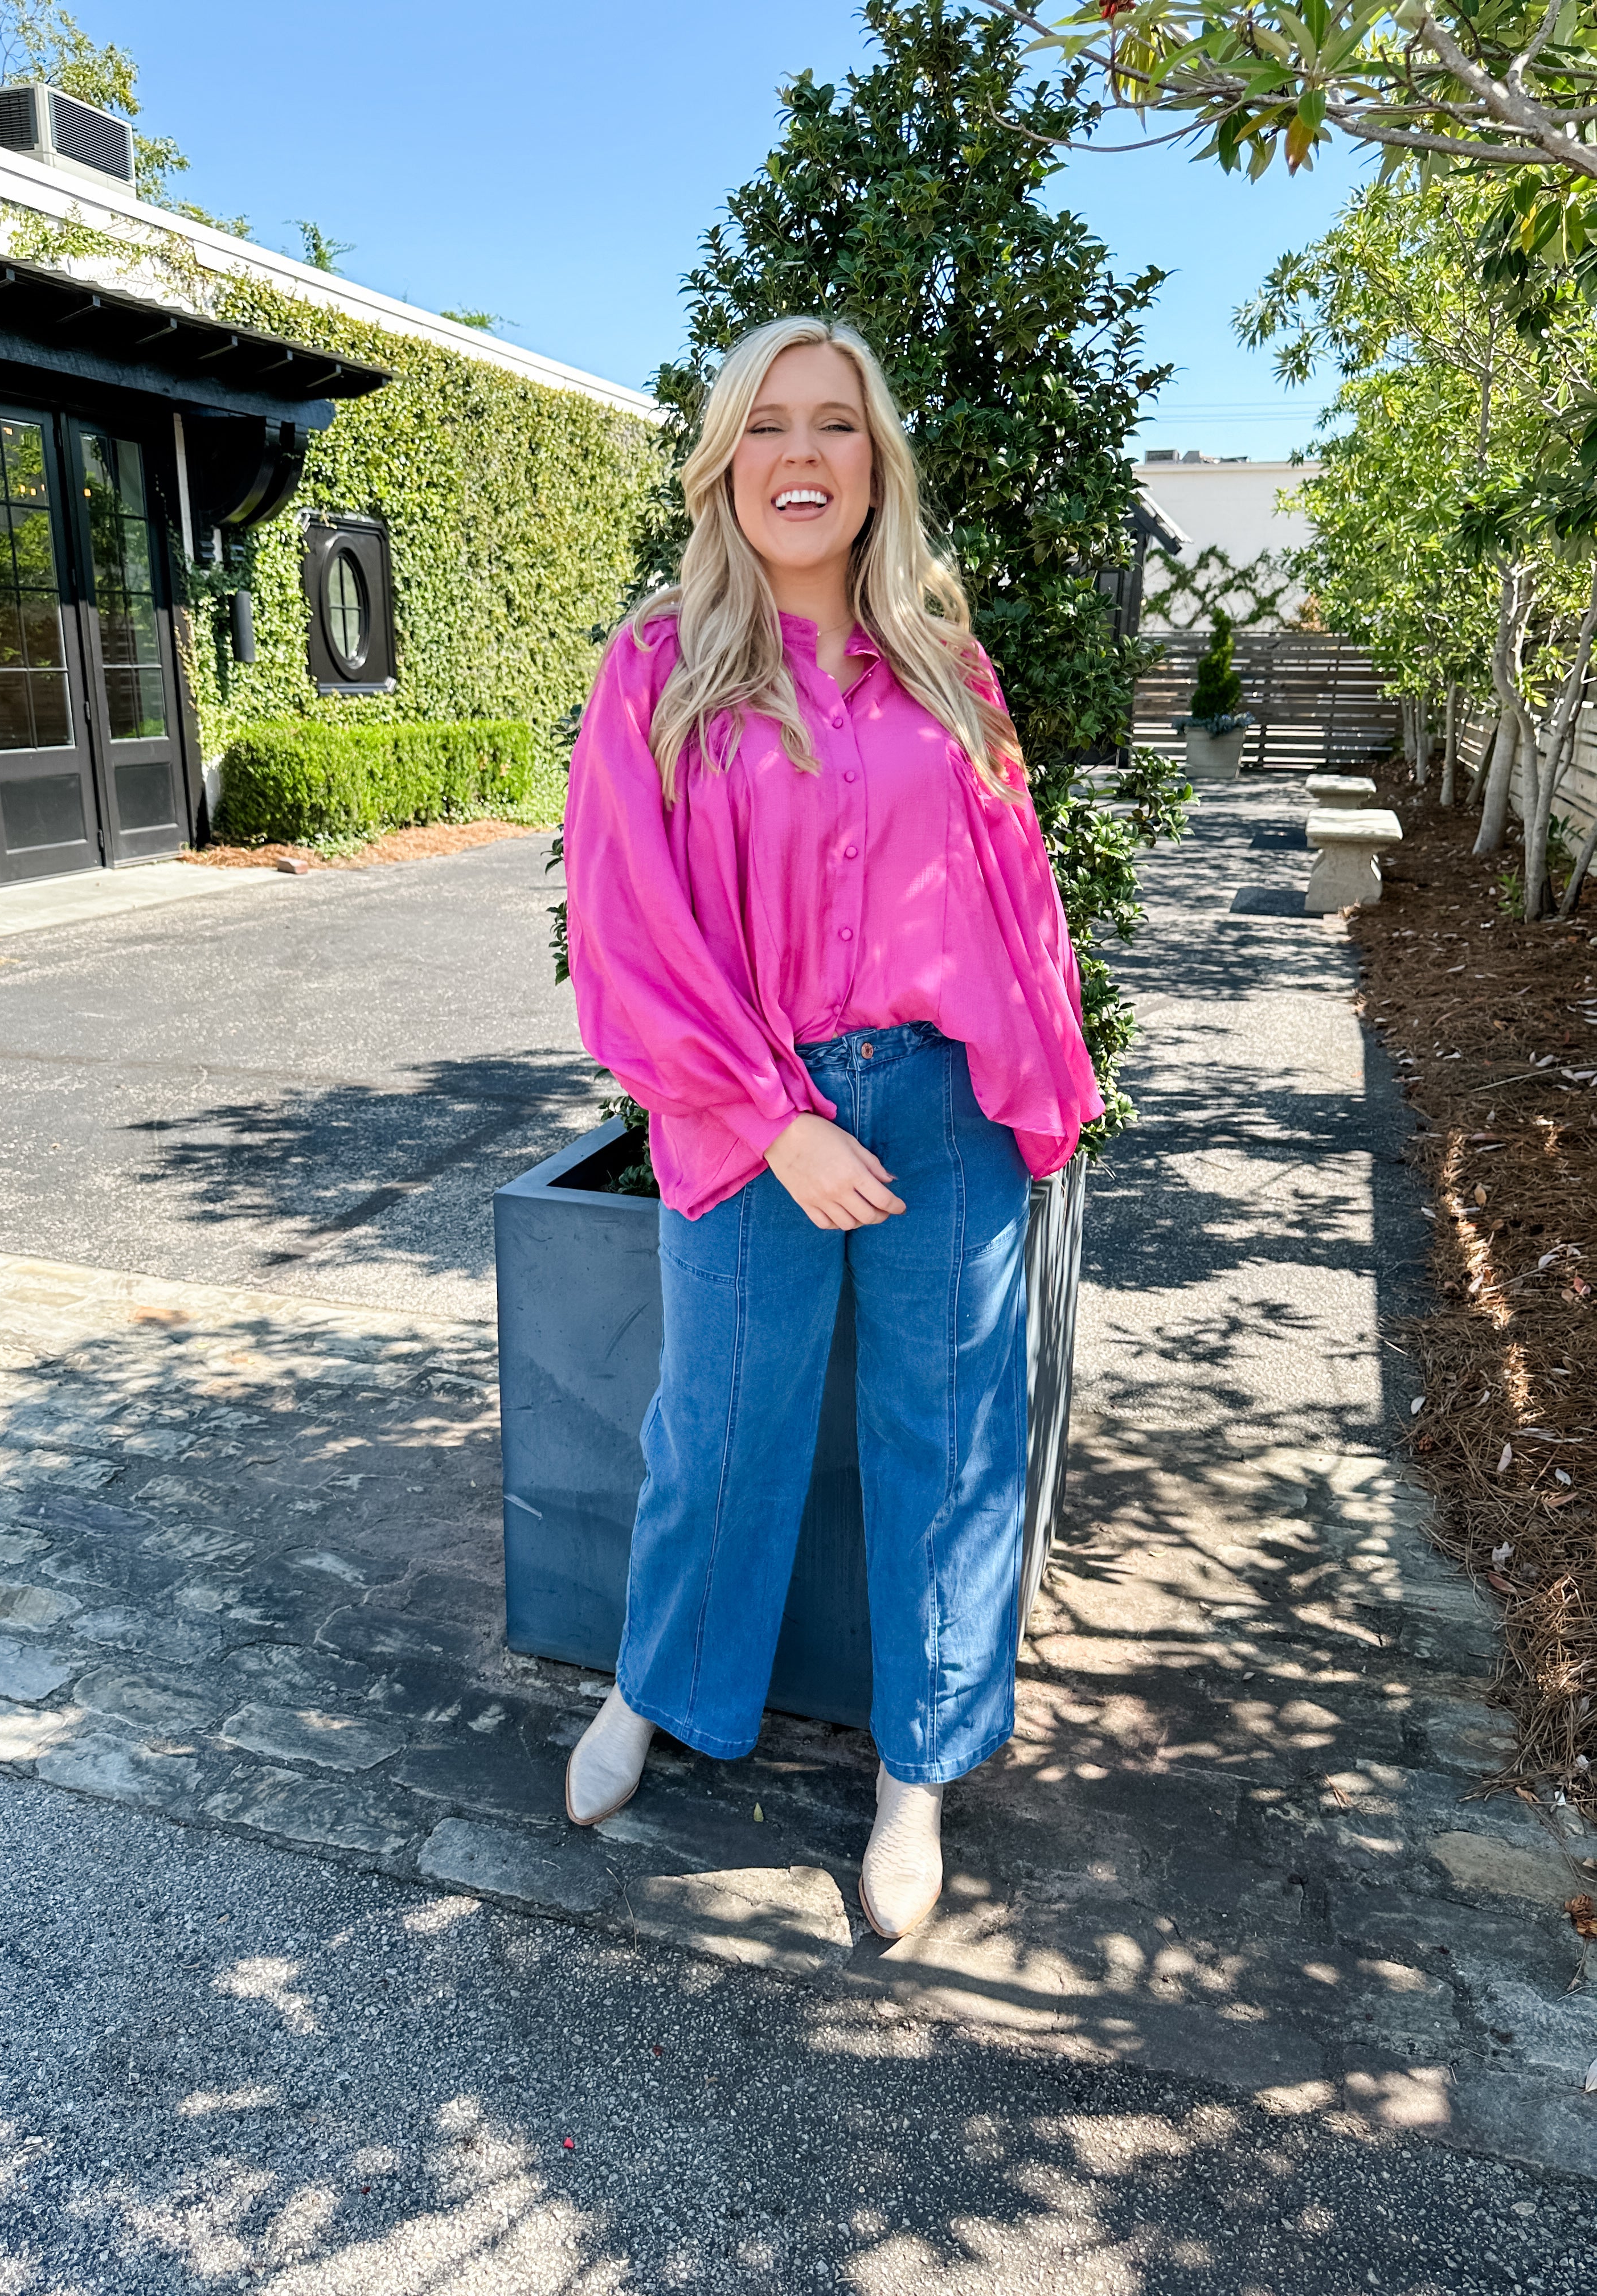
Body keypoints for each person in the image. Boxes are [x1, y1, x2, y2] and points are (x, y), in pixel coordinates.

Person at [560, 315, 1101, 1940]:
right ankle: (655, 1693)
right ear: (725, 461)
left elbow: (1016, 898)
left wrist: (1043, 1094)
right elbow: (629, 924)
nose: (803, 456)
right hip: (746, 1114)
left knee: (949, 1446)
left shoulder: (947, 660)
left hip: (941, 1110)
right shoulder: (660, 668)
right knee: (715, 1429)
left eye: (838, 428)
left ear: (877, 468)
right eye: (770, 426)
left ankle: (916, 1774)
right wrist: (773, 1117)